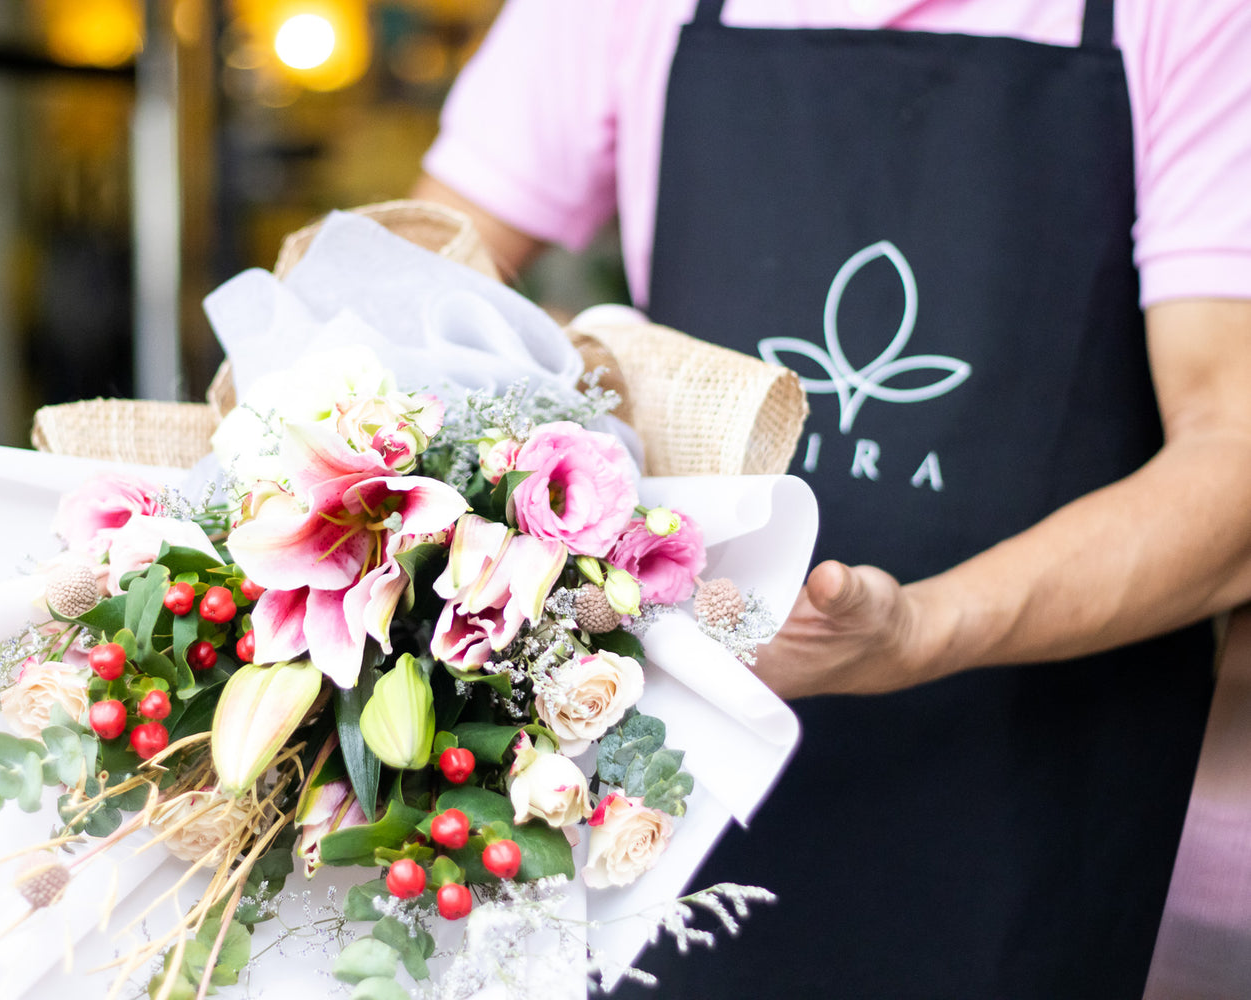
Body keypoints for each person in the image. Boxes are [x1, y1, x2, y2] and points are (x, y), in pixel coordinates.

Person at [411, 1, 1251, 996]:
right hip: (670, 778)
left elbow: (1234, 451)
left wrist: (925, 629)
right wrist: (569, 380)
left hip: (1029, 797)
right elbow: (425, 274)